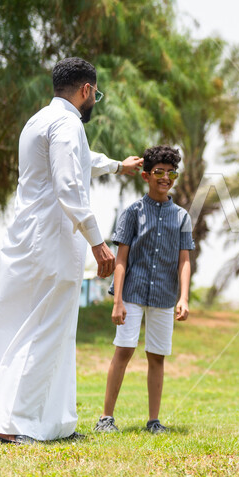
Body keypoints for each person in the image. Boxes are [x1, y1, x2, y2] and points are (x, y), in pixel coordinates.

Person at [0, 57, 143, 444]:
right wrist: (98, 243)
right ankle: (10, 426)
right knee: (47, 330)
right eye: (95, 94)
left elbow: (80, 162)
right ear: (86, 90)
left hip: (25, 240)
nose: (94, 100)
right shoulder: (67, 124)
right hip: (51, 241)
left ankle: (52, 423)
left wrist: (119, 167)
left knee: (24, 328)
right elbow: (70, 185)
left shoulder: (39, 121)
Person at [94, 145, 194, 435]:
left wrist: (183, 297)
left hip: (164, 295)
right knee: (124, 350)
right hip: (133, 292)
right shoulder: (132, 213)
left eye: (170, 173)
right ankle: (106, 418)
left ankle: (154, 421)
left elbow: (184, 261)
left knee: (157, 356)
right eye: (159, 172)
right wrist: (118, 301)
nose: (165, 178)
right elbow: (121, 260)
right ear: (146, 176)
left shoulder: (182, 217)